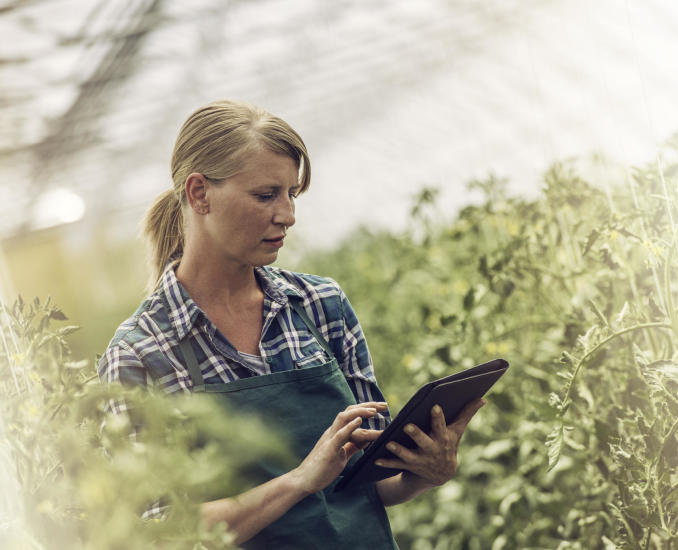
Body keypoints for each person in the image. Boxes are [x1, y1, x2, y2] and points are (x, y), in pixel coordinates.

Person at [97, 99, 485, 549]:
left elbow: (369, 480)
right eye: (266, 195)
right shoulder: (141, 353)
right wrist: (300, 481)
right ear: (199, 193)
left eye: (291, 195)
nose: (287, 214)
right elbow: (157, 532)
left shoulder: (321, 305)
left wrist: (422, 474)